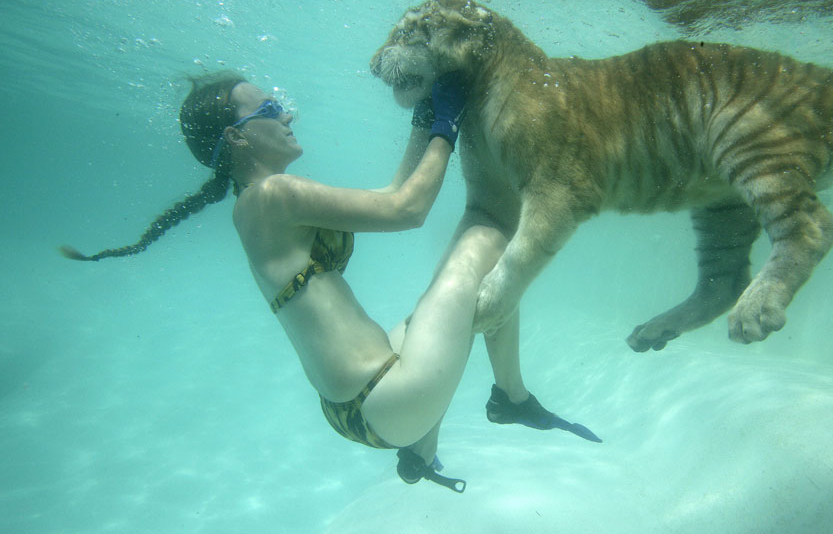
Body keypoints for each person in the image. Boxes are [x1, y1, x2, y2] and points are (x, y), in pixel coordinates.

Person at [62, 70, 599, 492]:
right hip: (388, 398)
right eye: (270, 109)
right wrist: (447, 125)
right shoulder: (273, 197)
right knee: (486, 233)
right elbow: (408, 209)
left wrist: (422, 120)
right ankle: (509, 396)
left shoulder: (260, 204)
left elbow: (392, 191)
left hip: (359, 403)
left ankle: (429, 445)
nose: (287, 113)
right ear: (236, 136)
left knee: (462, 290)